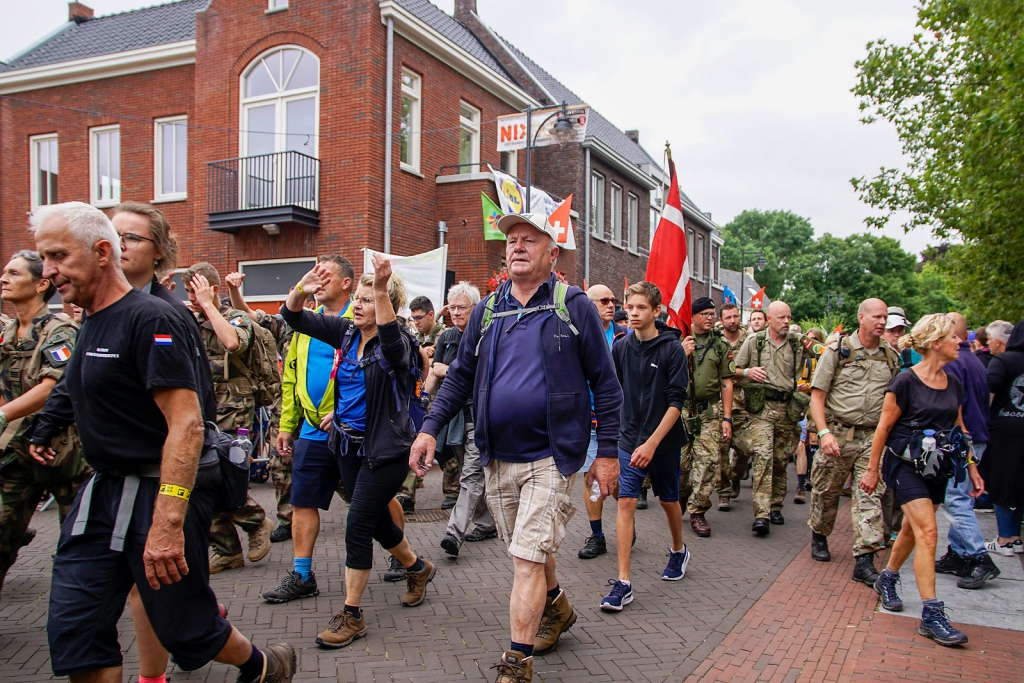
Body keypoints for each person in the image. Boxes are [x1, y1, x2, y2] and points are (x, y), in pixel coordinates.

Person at [29, 202, 295, 683]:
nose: (47, 272)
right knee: (77, 633)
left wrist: (169, 522)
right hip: (102, 494)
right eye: (41, 259)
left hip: (158, 491)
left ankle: (262, 665)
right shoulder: (90, 320)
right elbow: (72, 383)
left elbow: (188, 424)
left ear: (102, 252)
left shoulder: (154, 318)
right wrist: (45, 428)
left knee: (186, 628)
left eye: (58, 257)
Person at [410, 213, 621, 683]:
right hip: (496, 454)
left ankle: (516, 664)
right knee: (529, 548)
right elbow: (461, 376)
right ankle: (559, 609)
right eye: (511, 240)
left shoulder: (575, 306)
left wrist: (607, 452)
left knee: (526, 556)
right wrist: (428, 429)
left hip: (553, 454)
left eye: (529, 239)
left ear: (552, 253)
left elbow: (606, 385)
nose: (517, 247)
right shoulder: (487, 310)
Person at [280, 255, 435, 648]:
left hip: (385, 450)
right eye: (360, 298)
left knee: (356, 526)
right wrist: (303, 287)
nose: (360, 304)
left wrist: (381, 289)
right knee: (375, 522)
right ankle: (418, 568)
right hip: (346, 444)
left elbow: (388, 338)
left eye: (370, 298)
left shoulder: (397, 342)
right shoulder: (347, 333)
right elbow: (293, 317)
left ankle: (351, 615)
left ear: (386, 303)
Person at [112, 202, 222, 683]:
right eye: (111, 234)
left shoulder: (167, 315)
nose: (118, 245)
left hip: (172, 472)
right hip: (114, 477)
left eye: (132, 237)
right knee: (139, 587)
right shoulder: (100, 314)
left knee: (160, 586)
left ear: (159, 253)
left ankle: (243, 655)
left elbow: (196, 407)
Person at [860, 314, 983, 647]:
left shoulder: (953, 383)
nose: (960, 341)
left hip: (938, 468)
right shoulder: (905, 382)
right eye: (954, 337)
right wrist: (872, 469)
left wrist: (972, 468)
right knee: (929, 531)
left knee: (915, 530)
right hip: (905, 466)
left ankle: (887, 578)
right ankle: (932, 614)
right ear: (935, 343)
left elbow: (961, 432)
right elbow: (883, 429)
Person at [257, 256, 368, 603]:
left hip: (351, 431)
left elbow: (372, 375)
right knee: (302, 501)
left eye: (325, 276)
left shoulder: (363, 318)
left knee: (370, 502)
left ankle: (404, 557)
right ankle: (303, 574)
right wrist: (288, 425)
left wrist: (343, 410)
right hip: (311, 429)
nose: (317, 283)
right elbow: (292, 376)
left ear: (347, 283)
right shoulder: (309, 322)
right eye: (314, 276)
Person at [0, 251, 88, 596]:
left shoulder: (59, 330)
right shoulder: (8, 334)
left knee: (77, 545)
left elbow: (52, 387)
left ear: (40, 284)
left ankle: (82, 618)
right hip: (18, 452)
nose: (4, 278)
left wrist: (4, 416)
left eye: (13, 273)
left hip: (62, 451)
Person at [600, 281, 690, 612]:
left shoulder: (672, 349)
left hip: (663, 443)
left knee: (669, 501)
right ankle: (623, 583)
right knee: (625, 502)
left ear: (656, 311)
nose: (633, 313)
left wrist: (652, 444)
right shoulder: (621, 347)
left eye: (640, 308)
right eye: (630, 306)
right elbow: (613, 393)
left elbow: (676, 402)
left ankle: (678, 549)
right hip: (628, 439)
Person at [183, 262, 274, 574]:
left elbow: (233, 343)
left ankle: (257, 521)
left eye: (196, 291)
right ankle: (226, 549)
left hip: (234, 407)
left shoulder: (233, 317)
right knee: (199, 479)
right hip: (200, 407)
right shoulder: (189, 320)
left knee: (225, 474)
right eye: (188, 293)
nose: (192, 298)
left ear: (212, 289)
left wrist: (209, 306)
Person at [807, 299, 898, 586]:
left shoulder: (890, 357)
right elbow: (817, 397)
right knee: (826, 492)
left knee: (870, 494)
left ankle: (865, 558)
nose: (882, 322)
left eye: (885, 317)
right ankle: (820, 534)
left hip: (873, 437)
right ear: (861, 318)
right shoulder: (837, 351)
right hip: (838, 434)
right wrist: (823, 434)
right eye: (876, 316)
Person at [225, 271, 298, 543]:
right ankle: (287, 519)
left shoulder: (326, 325)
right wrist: (234, 290)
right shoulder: (284, 326)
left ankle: (369, 510)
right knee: (281, 464)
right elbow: (249, 317)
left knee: (335, 469)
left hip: (320, 409)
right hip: (286, 406)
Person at [933, 313, 1000, 588]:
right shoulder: (974, 361)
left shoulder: (955, 364)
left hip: (964, 439)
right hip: (975, 436)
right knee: (961, 497)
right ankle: (958, 554)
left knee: (955, 498)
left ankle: (978, 556)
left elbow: (953, 410)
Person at [435, 282, 499, 558]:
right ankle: (486, 524)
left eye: (462, 307)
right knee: (467, 472)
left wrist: (447, 370)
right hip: (453, 418)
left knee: (471, 474)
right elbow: (434, 375)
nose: (456, 312)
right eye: (452, 307)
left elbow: (482, 376)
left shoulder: (487, 335)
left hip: (479, 415)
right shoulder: (446, 337)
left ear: (476, 309)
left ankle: (454, 532)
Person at [733, 301, 808, 535]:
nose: (786, 321)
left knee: (780, 459)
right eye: (782, 317)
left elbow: (820, 352)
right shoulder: (755, 342)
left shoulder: (796, 343)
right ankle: (762, 514)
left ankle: (776, 505)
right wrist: (746, 372)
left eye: (789, 317)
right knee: (763, 457)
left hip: (787, 409)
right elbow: (731, 370)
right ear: (769, 318)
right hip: (762, 409)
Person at [679, 297, 734, 537]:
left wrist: (727, 418)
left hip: (709, 411)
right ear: (693, 317)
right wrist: (681, 353)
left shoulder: (720, 345)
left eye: (713, 313)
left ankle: (698, 511)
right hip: (679, 411)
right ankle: (682, 494)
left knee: (708, 462)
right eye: (705, 313)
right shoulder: (677, 339)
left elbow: (727, 382)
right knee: (680, 464)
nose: (710, 317)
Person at [578, 284, 625, 560]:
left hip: (619, 421)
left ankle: (625, 521)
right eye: (605, 300)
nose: (611, 305)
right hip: (589, 420)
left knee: (617, 482)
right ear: (590, 304)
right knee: (591, 478)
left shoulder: (623, 337)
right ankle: (597, 536)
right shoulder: (578, 334)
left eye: (614, 300)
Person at [399, 295, 454, 511]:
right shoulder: (415, 338)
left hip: (440, 401)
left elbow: (442, 368)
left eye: (419, 317)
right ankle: (406, 494)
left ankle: (454, 491)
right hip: (419, 402)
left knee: (447, 452)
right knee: (420, 446)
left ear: (431, 315)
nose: (416, 322)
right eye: (412, 319)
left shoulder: (445, 336)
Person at [979, 320, 1024, 556]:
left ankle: (1004, 538)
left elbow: (990, 391)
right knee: (1019, 484)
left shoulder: (1003, 360)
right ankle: (1016, 537)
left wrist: (981, 422)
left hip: (1003, 431)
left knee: (1000, 481)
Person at [717, 303, 752, 509]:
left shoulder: (750, 340)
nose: (733, 321)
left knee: (744, 449)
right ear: (722, 320)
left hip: (745, 404)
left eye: (736, 316)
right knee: (721, 448)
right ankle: (723, 491)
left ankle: (736, 476)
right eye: (728, 317)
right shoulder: (716, 340)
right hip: (722, 401)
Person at [794, 327, 825, 504]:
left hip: (816, 404)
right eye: (808, 339)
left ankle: (811, 476)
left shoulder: (824, 359)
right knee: (800, 444)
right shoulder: (801, 359)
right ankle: (800, 484)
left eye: (814, 339)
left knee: (814, 440)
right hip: (800, 403)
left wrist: (811, 387)